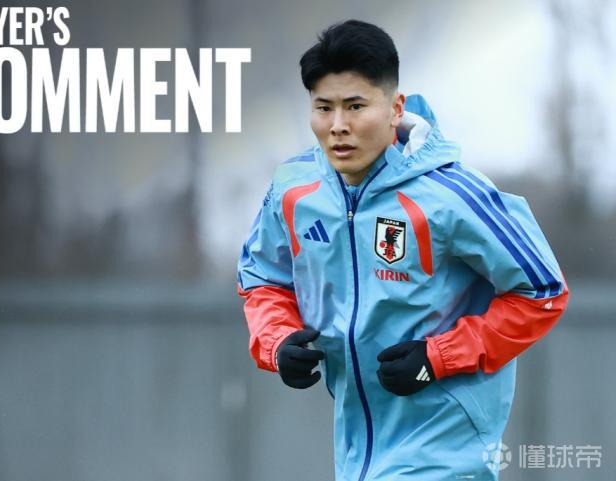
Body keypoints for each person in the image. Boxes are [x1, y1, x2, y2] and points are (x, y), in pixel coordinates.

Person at [236, 19, 568, 481]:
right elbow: (262, 277)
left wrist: (439, 357)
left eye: (355, 106)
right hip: (357, 452)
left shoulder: (452, 194)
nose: (338, 126)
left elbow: (543, 291)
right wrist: (277, 342)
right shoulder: (294, 189)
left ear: (394, 108)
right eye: (324, 107)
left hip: (446, 452)